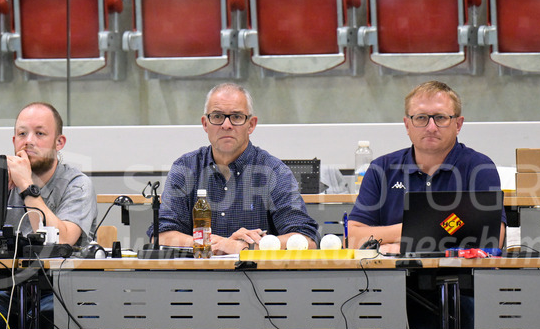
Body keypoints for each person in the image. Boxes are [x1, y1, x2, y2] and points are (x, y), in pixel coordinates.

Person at [151, 83, 318, 254]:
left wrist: (246, 247)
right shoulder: (185, 168)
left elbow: (306, 238)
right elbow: (161, 235)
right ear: (205, 123)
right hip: (198, 277)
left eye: (236, 117)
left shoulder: (274, 171)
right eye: (217, 116)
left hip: (258, 278)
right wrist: (216, 243)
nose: (226, 125)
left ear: (251, 125)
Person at [347, 80, 502, 254]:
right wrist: (415, 230)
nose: (431, 127)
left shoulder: (480, 168)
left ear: (458, 124)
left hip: (461, 275)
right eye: (421, 118)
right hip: (391, 276)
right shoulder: (381, 169)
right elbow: (353, 238)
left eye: (440, 118)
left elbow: (492, 238)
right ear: (407, 125)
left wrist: (404, 244)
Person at [0, 102, 97, 329]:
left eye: (40, 133)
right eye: (22, 134)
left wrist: (26, 186)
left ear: (59, 142)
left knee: (50, 320)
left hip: (59, 293)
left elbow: (61, 240)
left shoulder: (78, 185)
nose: (29, 141)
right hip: (8, 291)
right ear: (14, 141)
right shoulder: (0, 182)